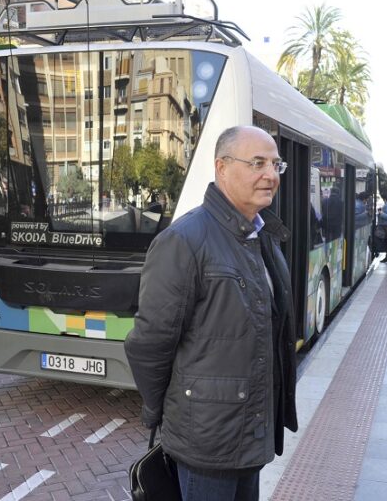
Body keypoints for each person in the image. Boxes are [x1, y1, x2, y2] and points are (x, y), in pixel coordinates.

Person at [124, 125, 298, 501]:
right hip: (207, 443)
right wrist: (165, 412)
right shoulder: (184, 241)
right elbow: (148, 344)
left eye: (275, 164)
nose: (270, 175)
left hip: (251, 433)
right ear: (221, 167)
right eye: (257, 163)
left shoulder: (260, 235)